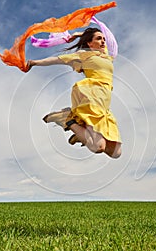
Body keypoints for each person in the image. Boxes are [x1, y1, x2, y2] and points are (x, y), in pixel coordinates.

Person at [27, 27, 122, 159]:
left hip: (104, 101)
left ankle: (80, 133)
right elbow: (58, 60)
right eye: (99, 39)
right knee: (98, 147)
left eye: (104, 39)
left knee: (116, 152)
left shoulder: (106, 55)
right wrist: (34, 63)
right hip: (92, 94)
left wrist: (78, 34)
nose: (103, 41)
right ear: (89, 43)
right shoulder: (84, 55)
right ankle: (68, 119)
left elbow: (90, 37)